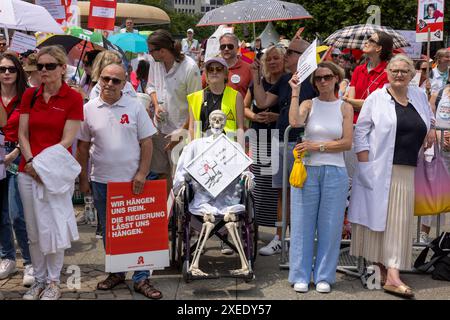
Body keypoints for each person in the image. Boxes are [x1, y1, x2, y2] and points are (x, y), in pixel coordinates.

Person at [348, 54, 436, 298]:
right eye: (394, 70)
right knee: (380, 222)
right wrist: (365, 165)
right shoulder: (376, 98)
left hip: (407, 170)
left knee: (398, 223)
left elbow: (428, 116)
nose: (399, 74)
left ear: (411, 75)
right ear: (387, 73)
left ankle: (392, 271)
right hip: (378, 169)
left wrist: (430, 129)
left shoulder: (417, 95)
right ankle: (388, 272)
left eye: (404, 71)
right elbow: (361, 132)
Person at [76, 63, 161, 299]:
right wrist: (84, 178)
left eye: (116, 80)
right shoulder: (89, 108)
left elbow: (147, 143)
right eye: (106, 79)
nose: (110, 84)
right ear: (98, 79)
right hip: (102, 181)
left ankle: (141, 278)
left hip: (132, 182)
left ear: (125, 84)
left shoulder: (134, 107)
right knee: (109, 231)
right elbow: (83, 146)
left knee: (138, 232)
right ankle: (116, 272)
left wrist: (142, 173)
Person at [18, 45, 84, 300]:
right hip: (28, 170)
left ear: (62, 68)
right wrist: (31, 161)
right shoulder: (30, 96)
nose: (43, 71)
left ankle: (54, 282)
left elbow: (67, 140)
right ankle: (40, 279)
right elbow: (23, 134)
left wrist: (42, 166)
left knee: (54, 228)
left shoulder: (73, 98)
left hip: (55, 172)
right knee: (33, 230)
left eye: (50, 66)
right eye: (40, 66)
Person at [287, 62, 353, 293]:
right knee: (302, 224)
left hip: (335, 171)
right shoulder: (308, 103)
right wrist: (295, 91)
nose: (323, 81)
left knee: (331, 226)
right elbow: (295, 122)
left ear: (336, 78)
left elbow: (347, 142)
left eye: (327, 77)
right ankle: (300, 274)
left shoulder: (345, 107)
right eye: (318, 78)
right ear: (313, 82)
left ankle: (324, 274)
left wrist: (319, 146)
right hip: (308, 170)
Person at [251, 38, 317, 256]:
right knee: (281, 193)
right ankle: (280, 238)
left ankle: (298, 238)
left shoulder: (314, 80)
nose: (285, 55)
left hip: (300, 143)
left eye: (290, 52)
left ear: (302, 56)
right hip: (279, 140)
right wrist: (255, 76)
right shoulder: (286, 79)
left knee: (301, 192)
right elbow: (262, 102)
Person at [146, 29, 202, 193]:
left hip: (180, 132)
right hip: (159, 129)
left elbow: (195, 104)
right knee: (160, 173)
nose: (149, 54)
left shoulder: (190, 67)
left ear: (162, 51)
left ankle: (177, 214)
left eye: (151, 51)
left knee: (178, 177)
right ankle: (165, 213)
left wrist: (182, 131)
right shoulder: (154, 63)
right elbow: (150, 86)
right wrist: (156, 105)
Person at [244, 45, 284, 253]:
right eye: (270, 59)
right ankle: (254, 231)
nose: (273, 62)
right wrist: (255, 116)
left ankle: (278, 235)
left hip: (278, 138)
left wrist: (277, 117)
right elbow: (244, 107)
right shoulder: (258, 82)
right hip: (259, 136)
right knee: (258, 186)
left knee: (276, 190)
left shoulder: (287, 82)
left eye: (277, 58)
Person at [0, 52, 35, 286]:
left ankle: (30, 262)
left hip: (15, 156)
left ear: (18, 72)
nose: (6, 73)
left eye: (11, 69)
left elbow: (31, 131)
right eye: (2, 69)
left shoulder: (27, 97)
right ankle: (7, 258)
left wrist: (18, 152)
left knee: (16, 214)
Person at [188, 57, 244, 143]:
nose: (214, 72)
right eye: (210, 69)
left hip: (226, 148)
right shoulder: (195, 97)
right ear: (206, 75)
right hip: (201, 147)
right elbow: (192, 128)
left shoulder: (236, 96)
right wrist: (192, 150)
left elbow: (240, 128)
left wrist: (241, 150)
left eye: (219, 69)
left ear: (225, 74)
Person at [343, 31, 393, 124]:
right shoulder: (358, 69)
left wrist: (348, 100)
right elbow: (351, 100)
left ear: (378, 48)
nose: (366, 42)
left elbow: (376, 105)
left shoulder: (388, 74)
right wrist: (352, 101)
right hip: (351, 122)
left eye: (371, 40)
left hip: (373, 124)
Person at [202, 33, 253, 99]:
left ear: (237, 48)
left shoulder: (248, 68)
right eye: (223, 46)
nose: (226, 49)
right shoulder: (211, 68)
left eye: (230, 46)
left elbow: (254, 94)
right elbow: (201, 90)